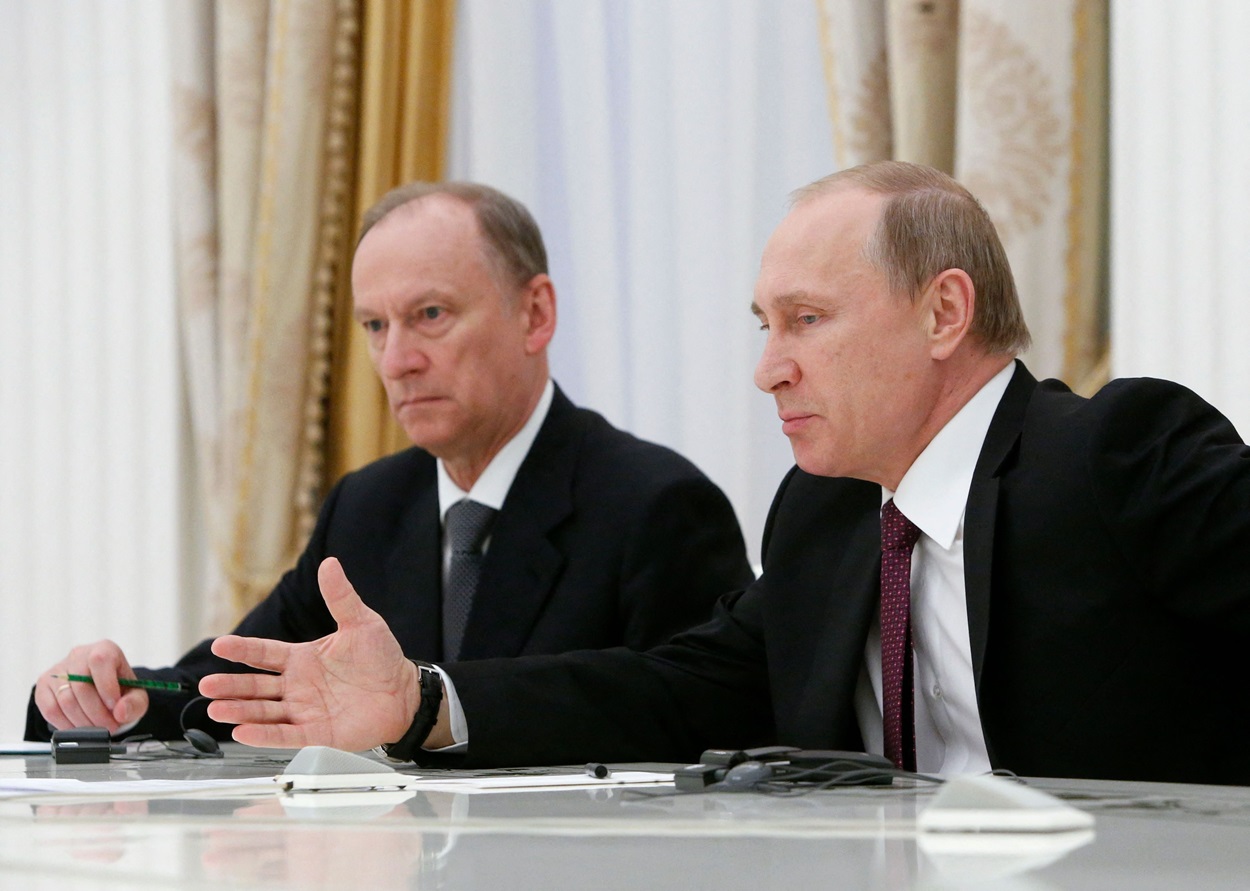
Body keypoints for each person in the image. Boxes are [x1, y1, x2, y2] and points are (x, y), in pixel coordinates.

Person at [199, 162, 1250, 785]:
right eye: (763, 325)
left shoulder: (1119, 454)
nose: (767, 368)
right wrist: (425, 704)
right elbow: (673, 688)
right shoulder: (825, 514)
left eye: (804, 321)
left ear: (943, 313)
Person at [27, 182, 753, 742]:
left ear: (534, 315)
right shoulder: (369, 504)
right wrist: (114, 696)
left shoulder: (657, 502)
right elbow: (245, 684)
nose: (397, 361)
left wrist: (427, 703)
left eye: (430, 315)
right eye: (376, 326)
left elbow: (700, 715)